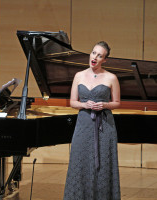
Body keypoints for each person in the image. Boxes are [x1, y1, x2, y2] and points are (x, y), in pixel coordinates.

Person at [63, 41, 121, 199]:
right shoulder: (79, 75)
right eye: (93, 53)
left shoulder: (111, 77)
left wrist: (104, 104)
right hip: (83, 125)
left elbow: (117, 103)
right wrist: (84, 104)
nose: (95, 57)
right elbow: (72, 102)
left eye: (99, 55)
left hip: (105, 126)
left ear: (104, 60)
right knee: (79, 162)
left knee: (102, 166)